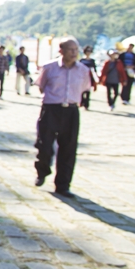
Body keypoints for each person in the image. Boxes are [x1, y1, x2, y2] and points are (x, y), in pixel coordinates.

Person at [33, 38, 92, 198]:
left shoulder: (83, 70)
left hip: (71, 110)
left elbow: (84, 88)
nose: (74, 53)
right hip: (51, 109)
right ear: (61, 51)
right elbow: (42, 86)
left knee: (68, 148)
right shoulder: (49, 67)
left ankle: (63, 185)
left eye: (76, 49)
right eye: (70, 49)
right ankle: (42, 171)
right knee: (44, 145)